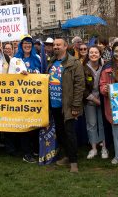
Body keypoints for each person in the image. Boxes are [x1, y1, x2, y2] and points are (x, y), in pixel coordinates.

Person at [48, 37, 84, 172]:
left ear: (65, 46)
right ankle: (67, 156)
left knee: (70, 133)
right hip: (54, 104)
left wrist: (75, 106)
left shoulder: (74, 63)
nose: (56, 47)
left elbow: (80, 86)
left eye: (58, 44)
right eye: (54, 45)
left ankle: (74, 162)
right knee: (61, 132)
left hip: (68, 106)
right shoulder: (51, 62)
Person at [8, 35, 41, 163]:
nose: (27, 45)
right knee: (25, 126)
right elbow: (10, 79)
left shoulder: (37, 58)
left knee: (35, 125)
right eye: (25, 43)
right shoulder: (15, 60)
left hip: (35, 97)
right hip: (21, 98)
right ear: (21, 45)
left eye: (29, 43)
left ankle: (34, 149)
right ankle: (26, 153)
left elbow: (42, 74)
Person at [83, 45, 108, 160]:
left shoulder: (104, 67)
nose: (93, 54)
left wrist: (101, 99)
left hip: (103, 99)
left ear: (99, 54)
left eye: (96, 52)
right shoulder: (83, 68)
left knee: (102, 124)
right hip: (89, 100)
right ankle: (94, 148)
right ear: (88, 54)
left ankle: (104, 148)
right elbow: (82, 88)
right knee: (91, 124)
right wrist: (94, 99)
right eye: (91, 52)